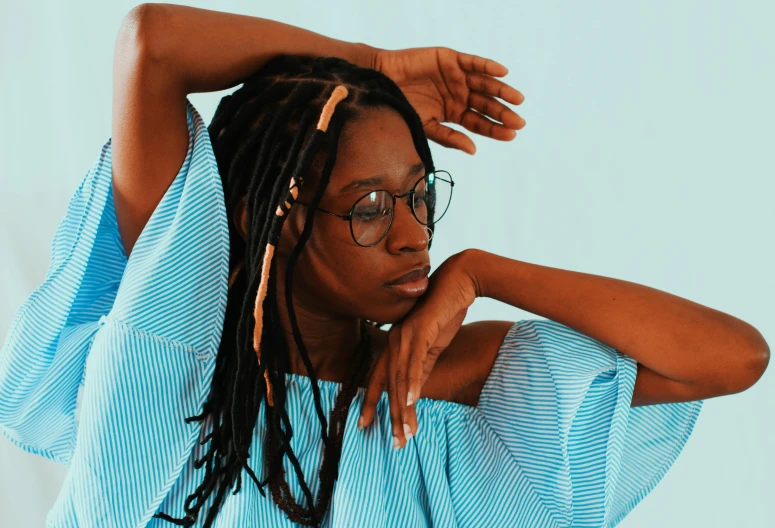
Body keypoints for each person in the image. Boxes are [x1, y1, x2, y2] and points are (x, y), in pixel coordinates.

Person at [0, 4, 769, 528]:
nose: (412, 237)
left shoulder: (435, 381)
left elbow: (732, 357)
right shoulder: (168, 340)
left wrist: (478, 271)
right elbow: (152, 41)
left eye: (419, 197)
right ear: (270, 217)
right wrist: (366, 65)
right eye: (368, 207)